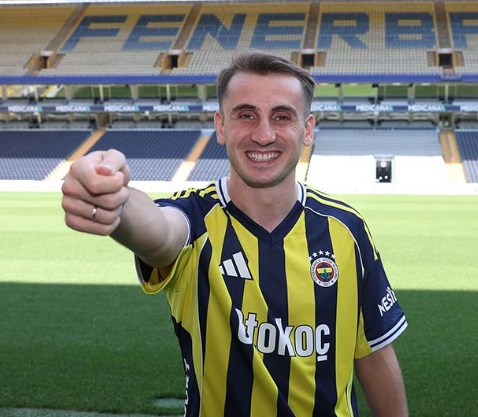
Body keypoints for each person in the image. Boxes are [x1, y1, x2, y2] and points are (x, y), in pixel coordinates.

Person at [62, 50, 409, 417]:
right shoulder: (195, 219)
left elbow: (373, 353)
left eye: (282, 116)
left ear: (307, 130)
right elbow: (160, 233)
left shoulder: (346, 230)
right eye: (246, 115)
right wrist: (116, 199)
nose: (264, 135)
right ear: (221, 126)